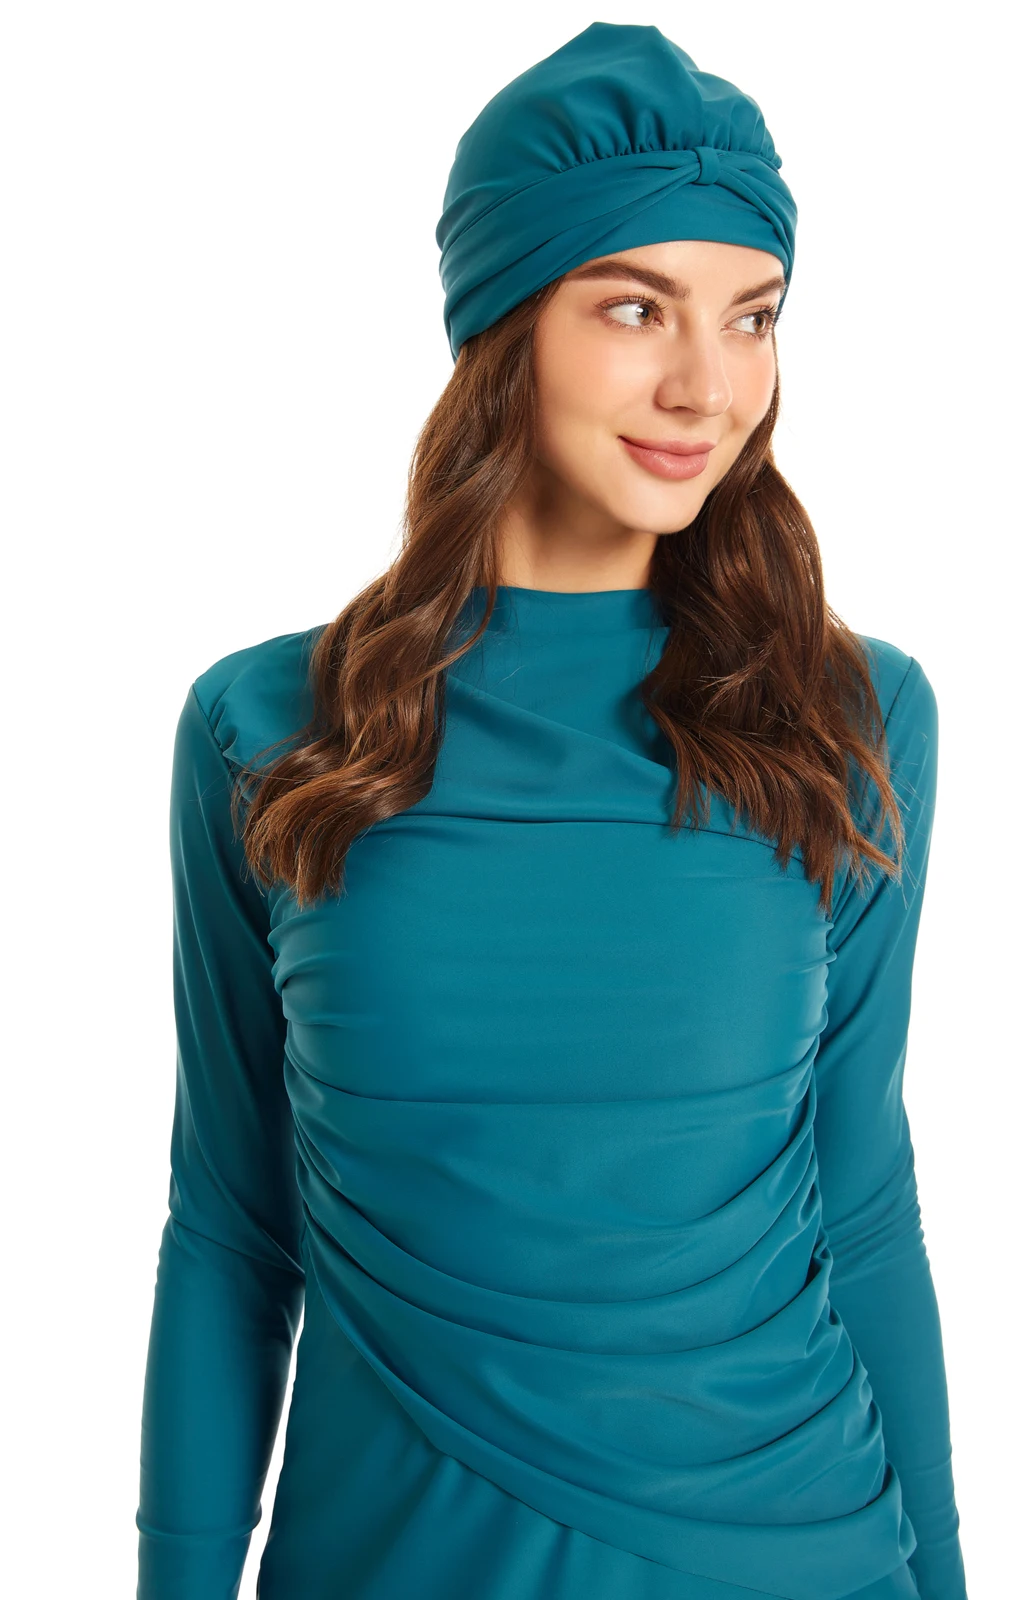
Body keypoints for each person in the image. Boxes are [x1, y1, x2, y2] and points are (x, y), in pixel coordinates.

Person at [135, 21, 969, 1600]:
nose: (706, 386)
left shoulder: (848, 718)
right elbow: (232, 1231)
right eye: (636, 307)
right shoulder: (272, 731)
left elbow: (861, 1207)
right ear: (505, 324)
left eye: (754, 316)